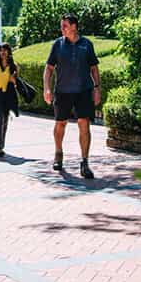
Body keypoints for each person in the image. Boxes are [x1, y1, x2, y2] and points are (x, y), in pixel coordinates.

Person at [43, 14, 100, 179]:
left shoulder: (86, 44)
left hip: (84, 91)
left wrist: (97, 88)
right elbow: (48, 69)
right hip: (63, 91)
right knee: (60, 124)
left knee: (84, 124)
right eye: (62, 26)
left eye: (65, 26)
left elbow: (94, 69)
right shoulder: (58, 45)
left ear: (74, 26)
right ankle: (58, 153)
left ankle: (84, 162)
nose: (62, 29)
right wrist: (47, 88)